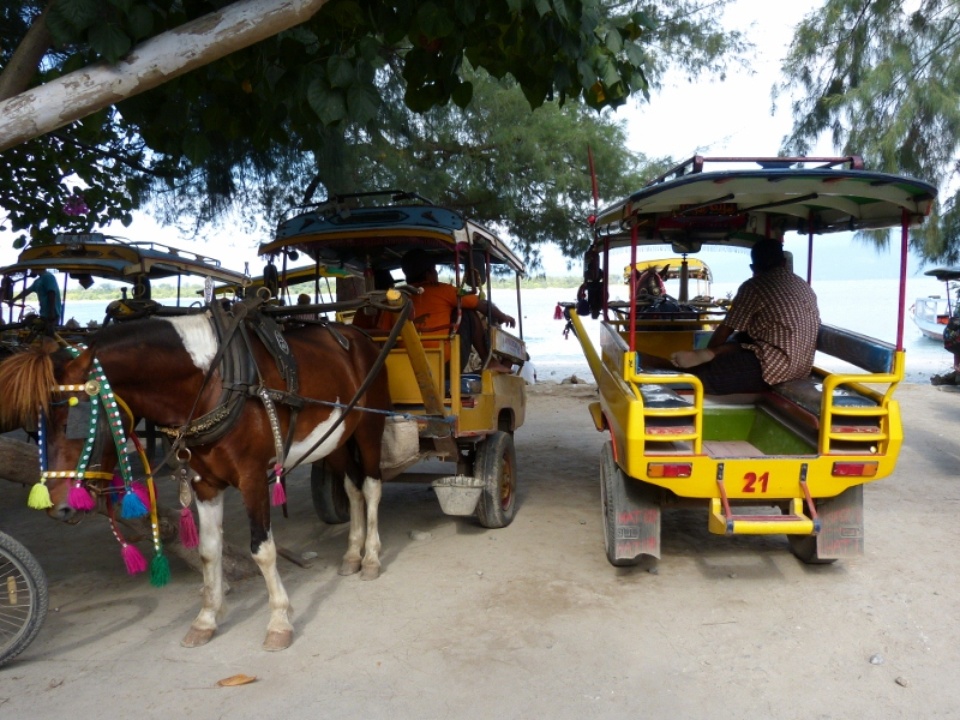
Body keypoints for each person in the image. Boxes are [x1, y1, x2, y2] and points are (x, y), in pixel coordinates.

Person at [669, 239, 820, 394]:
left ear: (753, 268)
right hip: (801, 368)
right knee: (741, 338)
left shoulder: (754, 286)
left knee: (700, 378)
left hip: (774, 368)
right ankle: (708, 355)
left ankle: (704, 359)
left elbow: (725, 329)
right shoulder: (804, 286)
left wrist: (703, 360)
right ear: (784, 262)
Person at [400, 249, 516, 372]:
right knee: (468, 312)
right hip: (443, 364)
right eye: (434, 270)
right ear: (429, 273)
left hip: (403, 364)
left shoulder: (396, 298)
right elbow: (481, 304)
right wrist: (503, 316)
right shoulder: (444, 290)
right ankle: (490, 361)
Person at [8, 269, 62, 335]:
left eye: (32, 269)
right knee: (42, 333)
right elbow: (26, 292)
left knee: (50, 335)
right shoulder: (37, 281)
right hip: (44, 314)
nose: (31, 271)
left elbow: (51, 293)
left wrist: (51, 313)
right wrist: (14, 299)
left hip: (52, 313)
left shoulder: (49, 277)